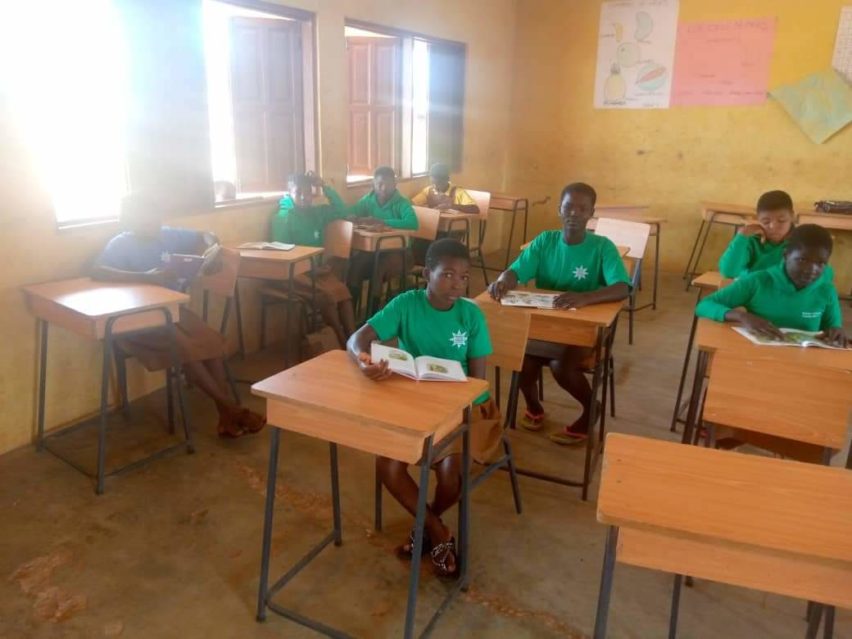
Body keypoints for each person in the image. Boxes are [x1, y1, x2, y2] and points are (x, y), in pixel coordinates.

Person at [346, 239, 501, 578]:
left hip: (466, 409)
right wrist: (363, 360)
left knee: (450, 476)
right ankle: (438, 531)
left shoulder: (470, 314)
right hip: (414, 403)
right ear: (427, 274)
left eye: (463, 277)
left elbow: (478, 385)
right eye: (447, 275)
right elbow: (357, 339)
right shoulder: (406, 304)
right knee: (387, 465)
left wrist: (450, 407)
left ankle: (425, 529)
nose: (457, 285)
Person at [91, 197, 265, 438]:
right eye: (144, 219)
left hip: (173, 310)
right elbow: (97, 270)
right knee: (185, 349)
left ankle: (226, 415)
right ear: (130, 220)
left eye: (155, 218)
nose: (152, 224)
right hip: (139, 318)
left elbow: (205, 235)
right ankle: (231, 410)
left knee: (211, 343)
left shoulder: (168, 235)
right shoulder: (121, 243)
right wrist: (145, 277)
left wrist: (211, 247)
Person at [488, 182, 630, 444]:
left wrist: (585, 298)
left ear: (591, 213)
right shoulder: (545, 241)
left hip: (582, 330)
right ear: (559, 209)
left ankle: (591, 410)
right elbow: (516, 270)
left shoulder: (602, 247)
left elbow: (622, 287)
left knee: (561, 366)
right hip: (545, 325)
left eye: (582, 208)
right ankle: (534, 406)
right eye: (568, 207)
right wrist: (503, 280)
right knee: (522, 359)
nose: (574, 213)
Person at [697, 224, 847, 347]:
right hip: (755, 359)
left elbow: (832, 327)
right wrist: (741, 316)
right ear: (786, 255)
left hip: (802, 365)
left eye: (821, 263)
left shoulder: (826, 290)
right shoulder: (758, 281)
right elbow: (704, 305)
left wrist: (836, 332)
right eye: (802, 260)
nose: (812, 269)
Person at [271, 173, 355, 347]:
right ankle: (342, 342)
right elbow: (283, 254)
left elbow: (343, 211)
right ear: (289, 192)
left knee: (343, 293)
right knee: (327, 298)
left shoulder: (318, 213)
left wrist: (324, 186)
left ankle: (354, 339)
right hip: (294, 273)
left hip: (317, 270)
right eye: (298, 192)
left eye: (308, 192)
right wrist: (309, 268)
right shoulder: (283, 217)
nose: (303, 197)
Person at [346, 166, 418, 302]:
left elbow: (413, 223)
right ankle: (353, 314)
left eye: (388, 184)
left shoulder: (401, 203)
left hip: (401, 253)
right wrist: (353, 217)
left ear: (395, 184)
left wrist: (382, 222)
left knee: (380, 267)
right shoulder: (368, 200)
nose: (383, 188)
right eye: (379, 184)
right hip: (375, 251)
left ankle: (374, 312)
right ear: (373, 184)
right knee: (356, 264)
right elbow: (352, 212)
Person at [719, 190, 795, 278]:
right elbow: (728, 272)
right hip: (752, 289)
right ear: (758, 219)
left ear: (792, 216)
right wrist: (742, 235)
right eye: (766, 222)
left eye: (782, 221)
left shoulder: (800, 242)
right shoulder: (752, 240)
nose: (773, 226)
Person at [411, 163, 480, 214]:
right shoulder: (428, 190)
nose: (436, 187)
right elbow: (412, 203)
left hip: (453, 229)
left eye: (439, 183)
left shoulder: (458, 192)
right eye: (433, 183)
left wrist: (451, 206)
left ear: (447, 180)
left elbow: (475, 209)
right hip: (434, 227)